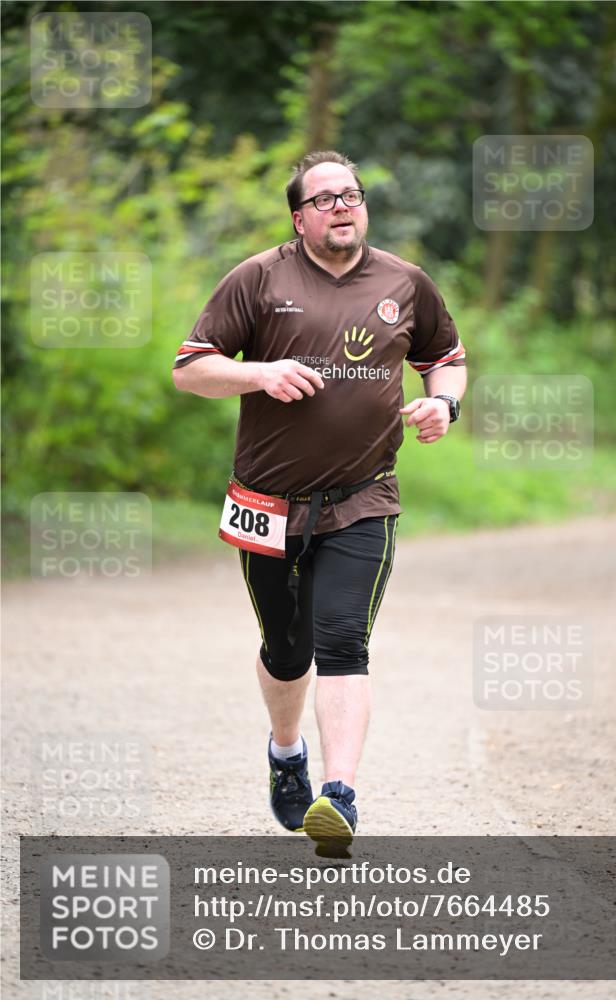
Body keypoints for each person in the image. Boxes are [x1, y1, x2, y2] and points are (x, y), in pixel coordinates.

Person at [173, 150, 466, 851]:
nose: (341, 206)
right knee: (286, 648)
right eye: (325, 198)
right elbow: (190, 369)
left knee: (341, 639)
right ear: (298, 217)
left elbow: (444, 359)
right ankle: (286, 754)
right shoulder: (258, 278)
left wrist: (443, 405)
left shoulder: (405, 282)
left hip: (364, 498)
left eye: (351, 195)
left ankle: (339, 796)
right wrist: (259, 374)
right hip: (266, 501)